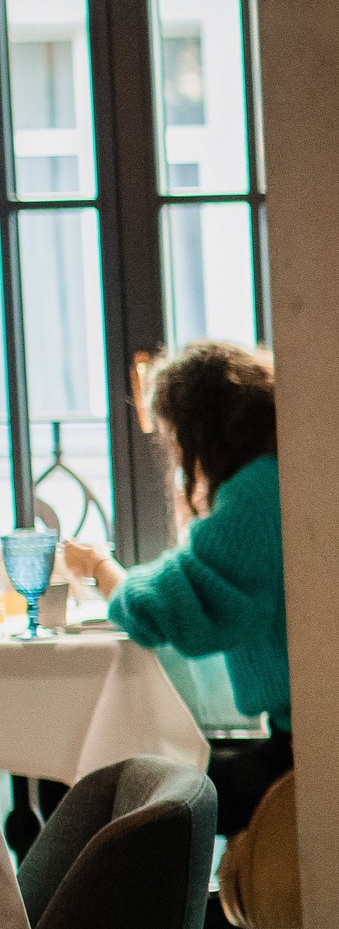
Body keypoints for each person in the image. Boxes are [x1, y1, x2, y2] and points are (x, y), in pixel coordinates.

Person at [59, 341, 292, 831]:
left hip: (297, 754)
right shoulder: (280, 473)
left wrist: (99, 565)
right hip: (302, 736)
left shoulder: (254, 495)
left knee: (114, 792)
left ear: (200, 428)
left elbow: (159, 607)